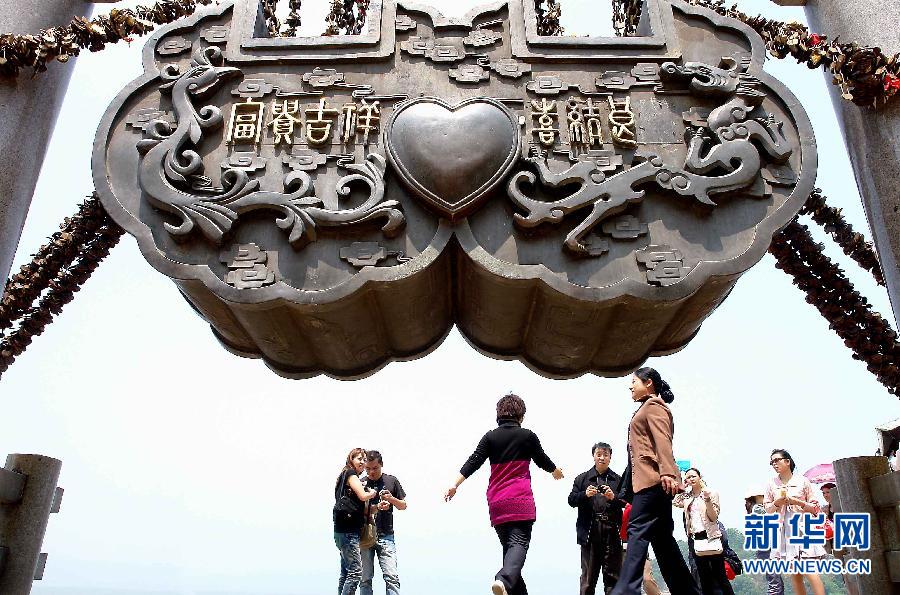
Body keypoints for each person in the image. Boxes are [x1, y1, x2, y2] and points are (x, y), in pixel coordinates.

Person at [444, 393, 564, 595]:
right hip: (520, 500)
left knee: (510, 553)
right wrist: (555, 471)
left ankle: (509, 585)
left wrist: (455, 484)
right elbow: (541, 458)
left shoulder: (490, 437)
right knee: (518, 545)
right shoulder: (527, 436)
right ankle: (503, 579)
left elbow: (474, 460)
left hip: (497, 502)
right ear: (521, 415)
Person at [611, 367, 700, 595]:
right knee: (663, 541)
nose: (630, 386)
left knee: (637, 529)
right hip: (650, 481)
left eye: (634, 382)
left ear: (648, 382)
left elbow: (663, 440)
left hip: (653, 481)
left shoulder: (654, 406)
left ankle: (626, 590)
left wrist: (668, 472)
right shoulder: (645, 407)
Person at [765, 449, 827, 595]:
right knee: (796, 575)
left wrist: (795, 501)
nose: (774, 464)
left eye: (777, 460)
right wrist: (777, 503)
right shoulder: (770, 484)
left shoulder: (802, 481)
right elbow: (768, 509)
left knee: (809, 570)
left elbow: (815, 508)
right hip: (783, 532)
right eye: (772, 462)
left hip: (803, 530)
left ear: (787, 461)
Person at [568, 442, 623, 595]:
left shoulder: (617, 480)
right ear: (593, 456)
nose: (602, 458)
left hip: (612, 531)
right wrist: (585, 495)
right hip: (589, 532)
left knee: (613, 577)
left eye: (606, 455)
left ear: (610, 457)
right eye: (599, 454)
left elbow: (626, 501)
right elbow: (571, 500)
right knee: (588, 579)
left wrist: (613, 497)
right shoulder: (582, 479)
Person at [672, 468, 735, 595]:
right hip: (696, 539)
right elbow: (675, 501)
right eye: (688, 477)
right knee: (704, 577)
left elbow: (713, 517)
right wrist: (683, 487)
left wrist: (707, 500)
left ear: (700, 477)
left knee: (720, 576)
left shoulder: (711, 493)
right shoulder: (687, 497)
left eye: (694, 476)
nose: (691, 479)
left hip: (711, 537)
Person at [360, 450, 407, 595]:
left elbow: (403, 505)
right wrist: (375, 507)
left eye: (375, 468)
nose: (371, 472)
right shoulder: (360, 483)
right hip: (365, 536)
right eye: (368, 468)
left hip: (386, 535)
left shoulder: (391, 480)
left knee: (392, 577)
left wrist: (391, 499)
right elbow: (356, 511)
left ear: (381, 465)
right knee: (365, 579)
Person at [334, 448, 378, 595]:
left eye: (364, 459)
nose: (362, 462)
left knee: (346, 572)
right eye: (359, 458)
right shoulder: (351, 473)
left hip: (340, 530)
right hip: (349, 530)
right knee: (355, 572)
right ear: (351, 459)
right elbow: (363, 496)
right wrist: (371, 493)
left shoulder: (342, 477)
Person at [745, 488, 785, 595]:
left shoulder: (754, 509)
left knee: (776, 581)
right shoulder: (757, 509)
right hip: (767, 550)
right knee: (775, 582)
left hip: (765, 550)